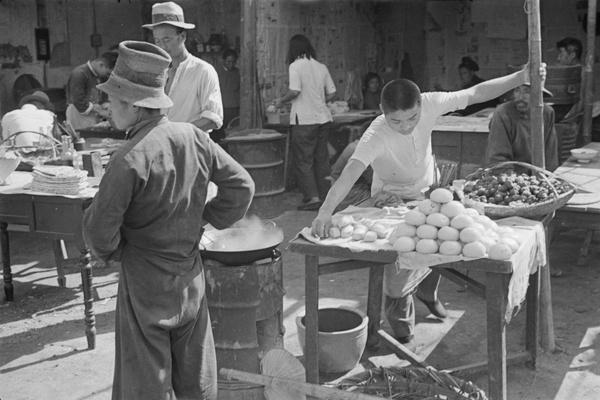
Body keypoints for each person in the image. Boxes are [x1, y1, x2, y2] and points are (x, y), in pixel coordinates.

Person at [311, 64, 545, 350]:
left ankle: (427, 291)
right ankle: (400, 319)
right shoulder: (375, 134)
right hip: (390, 198)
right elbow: (348, 174)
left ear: (420, 103)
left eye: (412, 117)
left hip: (429, 190)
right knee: (398, 256)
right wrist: (325, 211)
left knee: (440, 242)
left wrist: (520, 77)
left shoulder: (431, 102)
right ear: (384, 114)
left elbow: (476, 92)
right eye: (396, 121)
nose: (406, 125)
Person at [83, 41, 254, 400]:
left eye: (112, 100)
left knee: (147, 381)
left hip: (145, 285)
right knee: (197, 379)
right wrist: (204, 219)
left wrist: (119, 252)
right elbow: (242, 187)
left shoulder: (128, 158)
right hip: (190, 277)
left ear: (133, 104)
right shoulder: (193, 136)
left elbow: (99, 232)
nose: (107, 107)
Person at [273, 34, 337, 211]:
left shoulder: (295, 66)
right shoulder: (321, 66)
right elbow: (332, 93)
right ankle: (325, 196)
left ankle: (313, 198)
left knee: (303, 160)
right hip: (323, 119)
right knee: (321, 158)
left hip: (305, 121)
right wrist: (318, 100)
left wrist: (280, 102)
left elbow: (294, 91)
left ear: (293, 49)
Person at [142, 1, 223, 134]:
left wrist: (174, 133)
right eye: (157, 41)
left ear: (182, 37)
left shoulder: (203, 71)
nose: (162, 47)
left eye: (167, 40)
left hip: (192, 149)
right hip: (162, 148)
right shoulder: (157, 72)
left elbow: (213, 119)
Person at [66, 51, 118, 130]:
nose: (108, 76)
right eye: (108, 73)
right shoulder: (79, 73)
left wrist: (107, 108)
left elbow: (104, 94)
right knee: (84, 137)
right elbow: (77, 99)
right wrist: (99, 110)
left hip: (94, 112)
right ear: (101, 65)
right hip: (78, 112)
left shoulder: (102, 76)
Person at [213, 48, 241, 142]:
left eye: (233, 62)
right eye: (228, 62)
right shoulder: (216, 72)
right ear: (223, 60)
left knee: (232, 131)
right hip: (221, 108)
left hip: (234, 108)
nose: (231, 64)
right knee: (220, 134)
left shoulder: (238, 73)